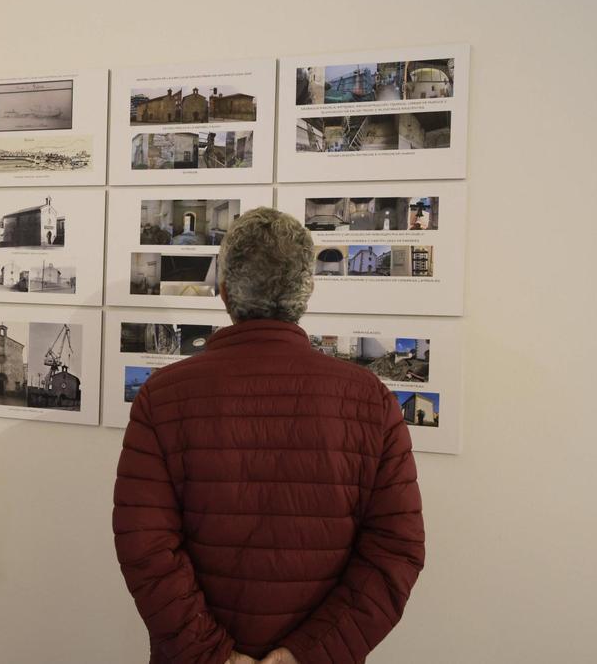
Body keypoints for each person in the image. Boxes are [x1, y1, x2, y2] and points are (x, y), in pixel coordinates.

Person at [113, 208, 425, 664]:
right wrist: (306, 655)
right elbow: (396, 551)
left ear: (224, 294)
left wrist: (214, 655)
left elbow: (144, 544)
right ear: (305, 294)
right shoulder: (370, 400)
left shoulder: (163, 397)